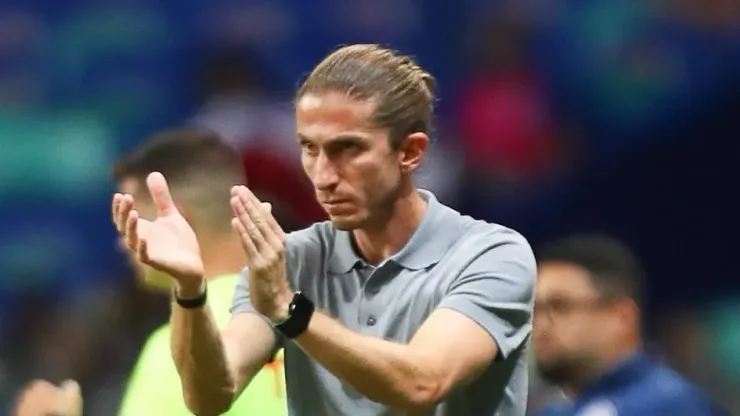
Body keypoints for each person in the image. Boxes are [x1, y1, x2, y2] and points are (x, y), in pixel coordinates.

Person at [113, 44, 537, 416]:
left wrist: (290, 310)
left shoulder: (491, 255)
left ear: (410, 152)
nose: (322, 176)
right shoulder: (292, 259)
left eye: (346, 149)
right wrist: (190, 290)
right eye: (309, 149)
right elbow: (211, 397)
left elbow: (423, 383)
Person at [15, 129, 287, 416]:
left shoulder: (182, 349)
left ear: (176, 221)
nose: (122, 243)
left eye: (133, 222)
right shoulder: (305, 312)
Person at [532, 234, 727, 416]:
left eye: (559, 307)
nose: (540, 325)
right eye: (534, 310)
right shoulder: (556, 410)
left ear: (622, 317)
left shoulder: (669, 406)